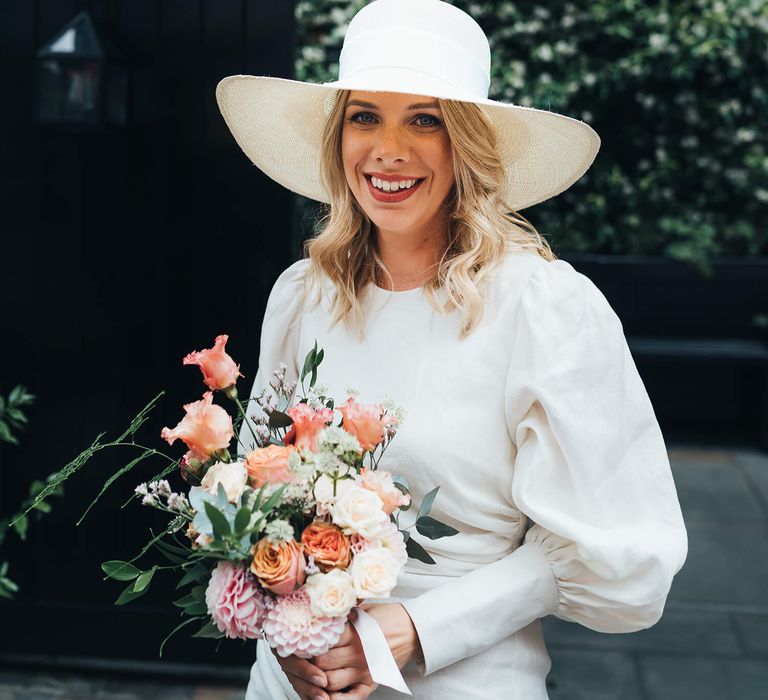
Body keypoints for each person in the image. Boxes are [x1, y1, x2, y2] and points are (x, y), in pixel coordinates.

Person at [216, 1, 688, 698]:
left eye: (425, 119)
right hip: (291, 683)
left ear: (466, 142)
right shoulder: (304, 294)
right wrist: (281, 630)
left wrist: (414, 629)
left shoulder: (542, 307)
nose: (388, 151)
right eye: (365, 115)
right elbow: (254, 496)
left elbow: (604, 548)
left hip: (461, 680)